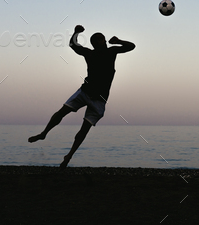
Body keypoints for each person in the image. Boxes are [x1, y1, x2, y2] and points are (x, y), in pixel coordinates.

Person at [28, 25, 135, 169]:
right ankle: (43, 133)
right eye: (95, 40)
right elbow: (73, 44)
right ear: (92, 44)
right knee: (62, 112)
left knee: (84, 130)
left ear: (104, 41)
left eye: (100, 39)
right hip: (84, 92)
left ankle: (68, 156)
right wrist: (76, 32)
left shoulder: (112, 51)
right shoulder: (89, 53)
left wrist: (118, 41)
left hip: (100, 100)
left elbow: (131, 46)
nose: (98, 42)